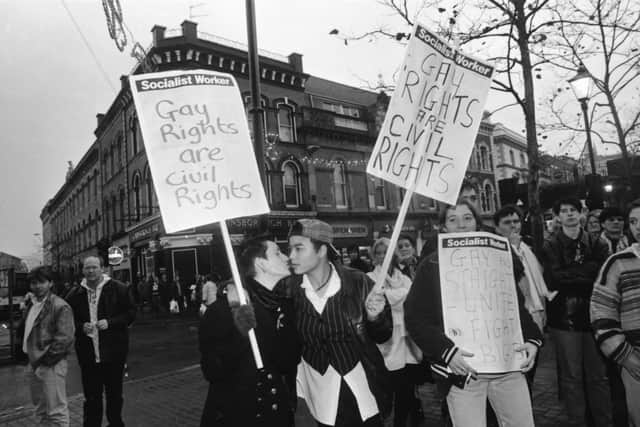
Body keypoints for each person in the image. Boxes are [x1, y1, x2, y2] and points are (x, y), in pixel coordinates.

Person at [405, 199, 543, 427]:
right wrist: (446, 352)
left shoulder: (499, 260)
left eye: (467, 218)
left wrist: (532, 339)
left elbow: (515, 308)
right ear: (444, 228)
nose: (461, 225)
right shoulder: (431, 265)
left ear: (477, 224)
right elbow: (415, 318)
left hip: (507, 366)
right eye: (453, 219)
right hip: (463, 371)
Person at [287, 219, 393, 427]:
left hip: (360, 386)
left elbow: (383, 334)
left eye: (299, 249)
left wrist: (374, 317)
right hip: (319, 392)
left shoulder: (358, 282)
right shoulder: (289, 289)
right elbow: (260, 294)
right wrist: (231, 290)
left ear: (321, 250)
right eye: (290, 249)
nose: (291, 256)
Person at [199, 236, 299, 426]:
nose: (286, 257)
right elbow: (212, 370)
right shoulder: (225, 309)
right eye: (278, 253)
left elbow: (288, 361)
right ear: (261, 264)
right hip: (240, 416)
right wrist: (241, 329)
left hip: (277, 415)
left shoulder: (283, 305)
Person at [541, 197, 611, 427]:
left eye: (574, 210)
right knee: (572, 378)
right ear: (558, 216)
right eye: (564, 210)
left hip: (595, 315)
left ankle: (604, 421)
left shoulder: (598, 242)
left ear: (582, 213)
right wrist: (584, 272)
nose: (570, 214)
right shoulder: (550, 244)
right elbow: (553, 278)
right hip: (564, 318)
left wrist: (572, 273)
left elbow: (601, 277)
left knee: (598, 376)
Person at [66, 256, 136, 427]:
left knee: (114, 394)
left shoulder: (118, 289)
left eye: (94, 267)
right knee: (91, 397)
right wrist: (81, 326)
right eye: (87, 268)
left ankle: (115, 423)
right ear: (82, 270)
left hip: (114, 352)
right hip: (88, 355)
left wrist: (110, 322)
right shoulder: (75, 294)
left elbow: (131, 314)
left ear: (102, 268)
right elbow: (66, 319)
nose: (91, 271)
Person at [494, 205, 556, 385]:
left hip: (535, 313)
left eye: (516, 221)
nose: (513, 226)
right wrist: (512, 248)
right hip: (515, 318)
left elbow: (537, 280)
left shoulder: (526, 248)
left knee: (531, 371)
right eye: (507, 222)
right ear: (497, 228)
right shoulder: (498, 250)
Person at [591, 201, 640, 427]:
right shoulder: (617, 263)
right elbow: (601, 312)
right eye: (633, 221)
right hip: (636, 360)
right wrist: (625, 355)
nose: (638, 226)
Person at [367, 238, 422, 427]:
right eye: (379, 252)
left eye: (387, 251)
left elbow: (413, 300)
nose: (384, 256)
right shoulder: (370, 278)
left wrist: (392, 295)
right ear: (374, 256)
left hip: (407, 340)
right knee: (388, 390)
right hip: (387, 343)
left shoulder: (404, 278)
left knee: (407, 391)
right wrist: (401, 295)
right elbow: (377, 301)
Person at [18, 266, 75, 426]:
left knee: (56, 412)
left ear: (50, 283)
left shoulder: (59, 306)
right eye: (34, 283)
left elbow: (64, 339)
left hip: (51, 364)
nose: (37, 286)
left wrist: (46, 363)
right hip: (34, 362)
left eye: (41, 282)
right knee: (41, 411)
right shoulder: (33, 304)